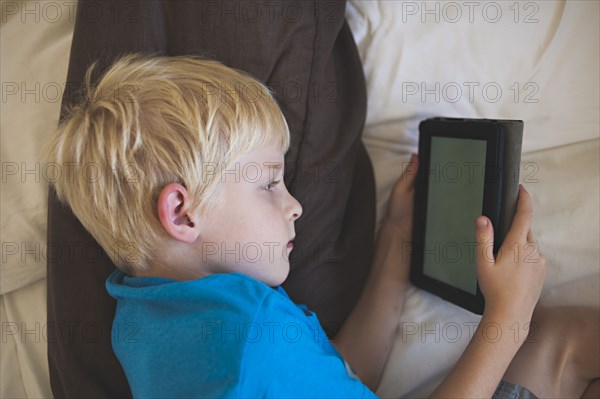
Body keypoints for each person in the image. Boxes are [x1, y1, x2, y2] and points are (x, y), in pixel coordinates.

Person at [45, 54, 599, 398]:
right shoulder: (251, 337)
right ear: (183, 213)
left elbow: (341, 378)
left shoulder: (147, 315)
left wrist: (394, 243)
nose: (295, 206)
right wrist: (508, 316)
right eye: (268, 183)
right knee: (562, 342)